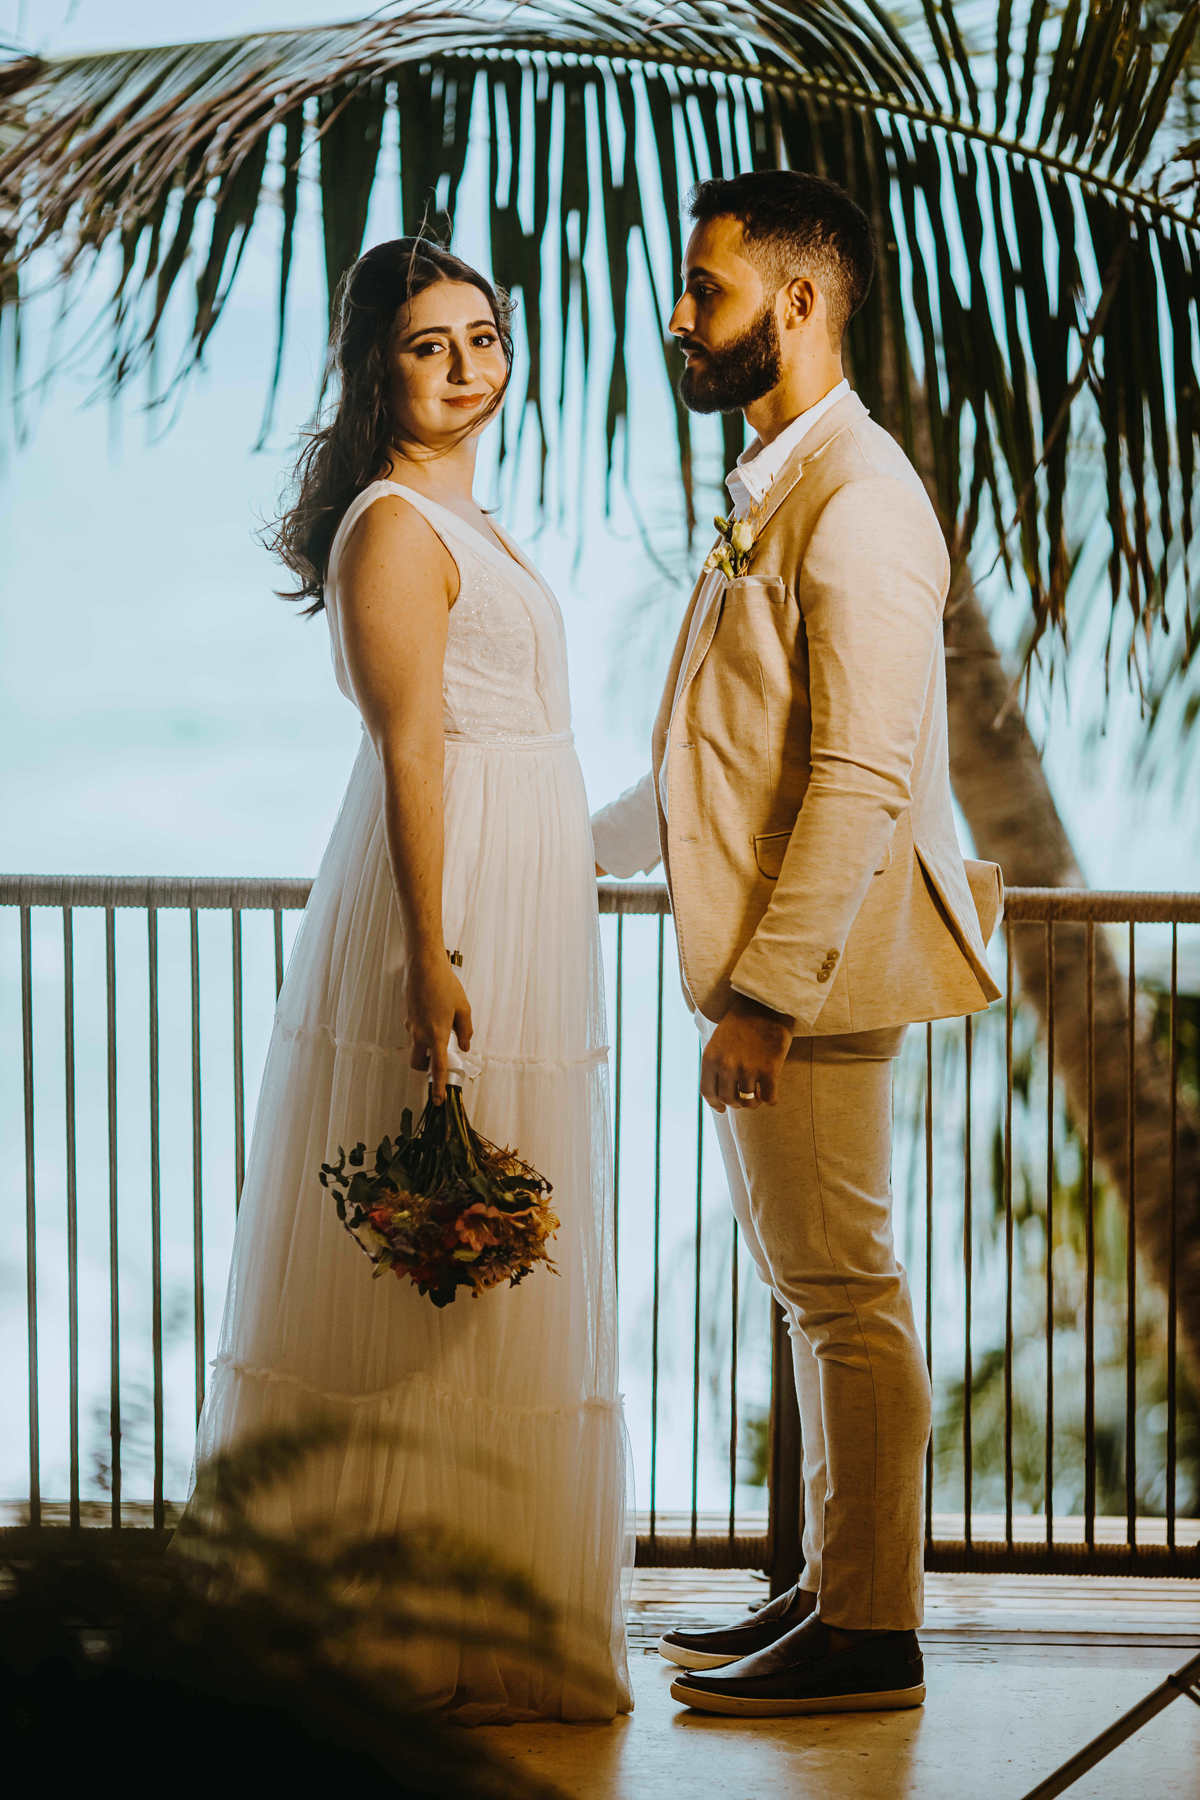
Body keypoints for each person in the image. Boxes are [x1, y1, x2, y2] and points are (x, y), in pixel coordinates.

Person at [177, 238, 631, 1724]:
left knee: (493, 1260)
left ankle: (481, 1618)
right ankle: (386, 1634)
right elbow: (412, 749)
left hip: (521, 888)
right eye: (431, 345)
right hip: (458, 894)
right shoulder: (391, 525)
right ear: (378, 368)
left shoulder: (466, 516)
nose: (467, 368)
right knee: (433, 1263)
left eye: (484, 337)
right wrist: (430, 952)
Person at [591, 170, 1002, 1719]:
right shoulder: (783, 477)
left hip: (807, 983)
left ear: (801, 300)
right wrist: (547, 852)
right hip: (778, 977)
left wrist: (764, 996)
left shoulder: (863, 500)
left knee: (846, 1297)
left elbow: (859, 780)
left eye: (707, 290)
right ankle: (832, 1592)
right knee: (816, 1294)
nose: (679, 318)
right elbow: (722, 761)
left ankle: (871, 1632)